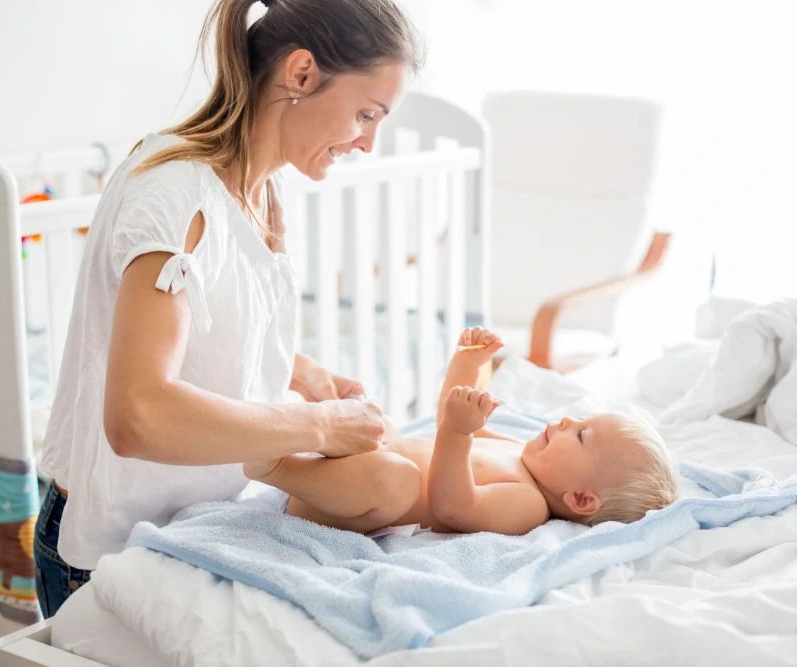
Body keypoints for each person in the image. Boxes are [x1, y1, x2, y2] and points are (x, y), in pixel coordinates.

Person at [34, 0, 423, 618]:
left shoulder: (258, 191)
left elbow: (211, 320)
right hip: (108, 544)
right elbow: (137, 415)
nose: (369, 142)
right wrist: (318, 426)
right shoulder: (175, 196)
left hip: (188, 525)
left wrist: (303, 374)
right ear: (300, 74)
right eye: (366, 114)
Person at [246, 328, 680, 535]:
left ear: (581, 499)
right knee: (382, 424)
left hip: (347, 503)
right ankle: (318, 421)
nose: (566, 421)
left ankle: (277, 466)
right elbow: (448, 418)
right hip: (354, 465)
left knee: (396, 481)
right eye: (580, 420)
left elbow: (453, 506)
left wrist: (458, 432)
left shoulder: (526, 504)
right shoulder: (517, 450)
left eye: (581, 436)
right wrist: (468, 365)